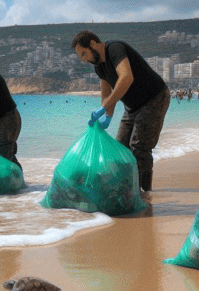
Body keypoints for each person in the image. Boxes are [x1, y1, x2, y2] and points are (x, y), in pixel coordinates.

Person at [72, 30, 170, 192]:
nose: (83, 60)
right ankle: (127, 190)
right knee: (121, 149)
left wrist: (103, 108)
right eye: (81, 56)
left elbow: (126, 77)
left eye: (83, 54)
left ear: (92, 44)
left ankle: (144, 193)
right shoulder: (99, 67)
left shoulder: (114, 49)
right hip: (132, 108)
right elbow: (106, 91)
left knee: (140, 148)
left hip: (154, 98)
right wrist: (108, 116)